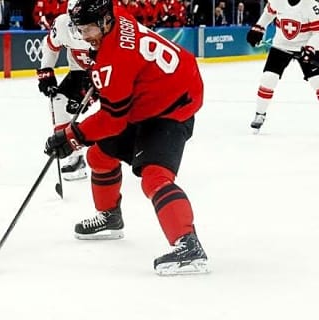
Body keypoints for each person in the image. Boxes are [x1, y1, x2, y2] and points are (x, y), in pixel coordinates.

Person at [44, 0, 208, 276]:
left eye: (89, 29)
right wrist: (101, 80)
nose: (84, 36)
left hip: (173, 104)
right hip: (151, 93)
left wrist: (72, 136)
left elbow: (112, 120)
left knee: (155, 176)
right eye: (80, 30)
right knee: (99, 157)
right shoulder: (116, 15)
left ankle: (188, 245)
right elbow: (121, 71)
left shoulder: (114, 58)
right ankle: (110, 217)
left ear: (105, 21)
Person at [245, 0, 319, 133]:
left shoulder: (312, 6)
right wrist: (259, 28)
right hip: (281, 45)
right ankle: (260, 114)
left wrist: (310, 48)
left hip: (305, 46)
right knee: (268, 79)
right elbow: (268, 13)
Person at [36, 0, 91, 181]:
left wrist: (90, 96)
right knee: (58, 100)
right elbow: (50, 46)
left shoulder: (104, 25)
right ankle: (75, 157)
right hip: (79, 72)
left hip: (111, 73)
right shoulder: (61, 24)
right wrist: (46, 72)